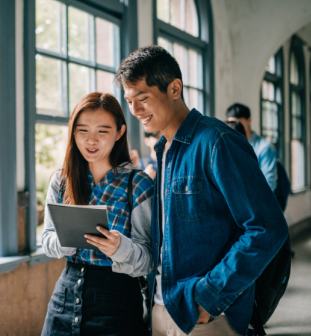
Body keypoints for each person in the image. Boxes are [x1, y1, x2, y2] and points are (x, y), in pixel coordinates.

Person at [116, 45, 289, 336]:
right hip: (161, 309)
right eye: (129, 101)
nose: (135, 110)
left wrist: (209, 298)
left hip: (206, 316)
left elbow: (266, 227)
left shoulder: (217, 141)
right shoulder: (163, 150)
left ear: (174, 88)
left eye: (142, 98)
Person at [41, 92, 154, 336]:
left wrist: (119, 248)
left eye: (102, 131)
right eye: (83, 131)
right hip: (65, 299)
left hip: (119, 304)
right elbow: (46, 241)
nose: (91, 141)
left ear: (120, 132)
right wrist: (66, 239)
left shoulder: (138, 183)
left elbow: (149, 259)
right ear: (73, 132)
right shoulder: (61, 180)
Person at [226, 103, 278, 192]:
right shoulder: (228, 147)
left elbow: (269, 185)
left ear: (249, 120)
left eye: (237, 122)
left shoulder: (264, 148)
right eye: (230, 123)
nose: (233, 127)